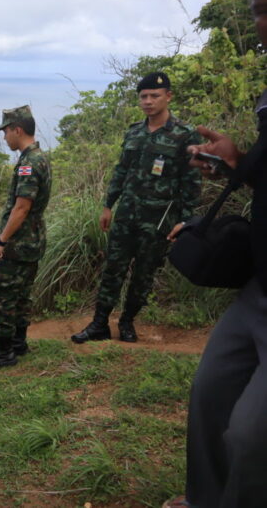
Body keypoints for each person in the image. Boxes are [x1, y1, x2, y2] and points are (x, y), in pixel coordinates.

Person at [164, 0, 267, 506]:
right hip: (260, 287)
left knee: (253, 435)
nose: (265, 23)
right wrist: (238, 163)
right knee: (211, 394)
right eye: (260, 11)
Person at [72, 72, 202, 344]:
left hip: (158, 220)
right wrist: (108, 205)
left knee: (144, 274)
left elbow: (191, 181)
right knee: (113, 270)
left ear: (168, 96)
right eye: (143, 96)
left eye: (154, 96)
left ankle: (127, 323)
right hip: (127, 214)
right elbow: (122, 170)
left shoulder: (183, 134)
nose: (148, 101)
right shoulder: (134, 131)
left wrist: (186, 220)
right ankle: (99, 324)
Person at [0, 105, 51, 370]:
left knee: (2, 296)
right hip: (33, 241)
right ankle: (19, 344)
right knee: (21, 295)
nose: (4, 137)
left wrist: (1, 241)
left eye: (6, 132)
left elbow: (22, 207)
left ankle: (3, 352)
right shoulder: (40, 157)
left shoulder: (29, 164)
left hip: (19, 244)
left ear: (17, 130)